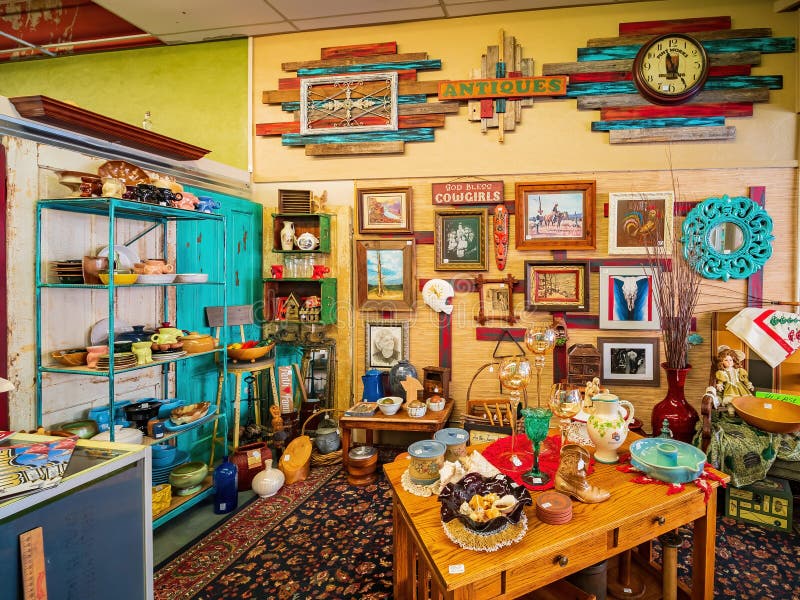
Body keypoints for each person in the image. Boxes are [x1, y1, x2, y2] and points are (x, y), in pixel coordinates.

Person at [715, 346, 754, 410]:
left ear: (734, 360)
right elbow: (720, 380)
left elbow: (745, 379)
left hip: (740, 387)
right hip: (730, 387)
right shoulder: (722, 372)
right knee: (731, 400)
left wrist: (749, 385)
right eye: (726, 360)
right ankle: (731, 411)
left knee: (743, 400)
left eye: (731, 360)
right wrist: (720, 385)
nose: (729, 362)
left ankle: (743, 410)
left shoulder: (739, 370)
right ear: (722, 362)